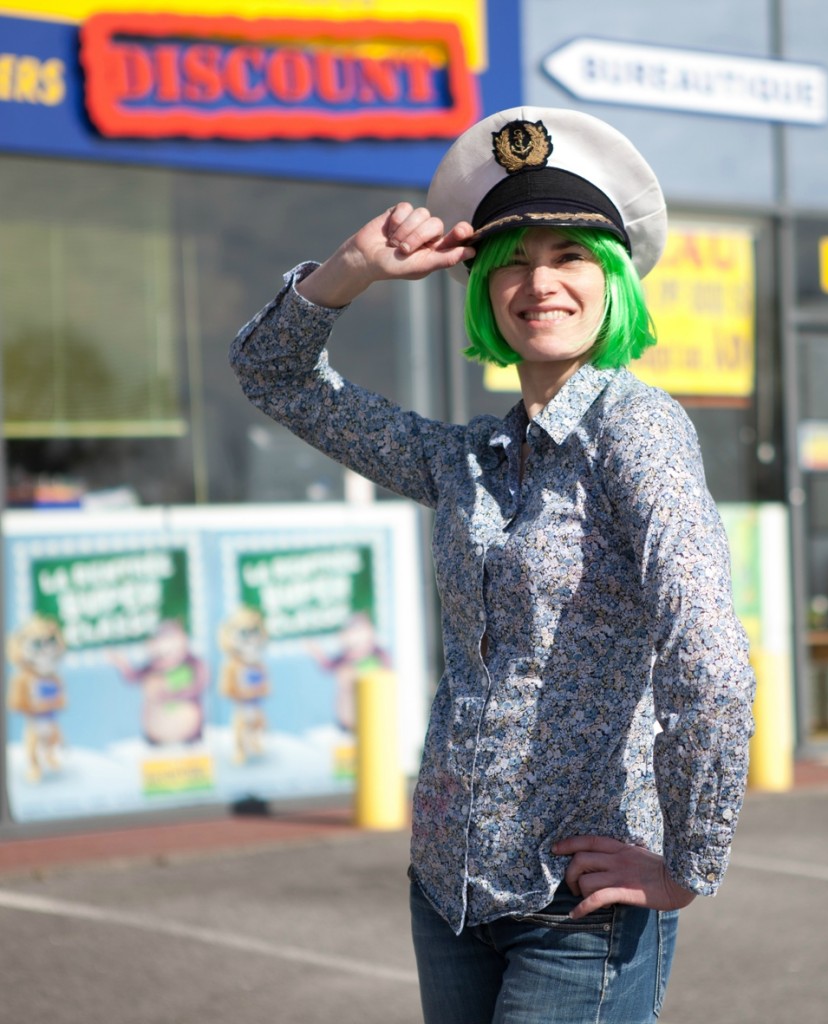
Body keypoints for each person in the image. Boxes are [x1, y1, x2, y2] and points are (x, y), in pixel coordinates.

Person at [230, 106, 756, 1024]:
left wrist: (688, 863)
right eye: (512, 257)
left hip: (575, 907)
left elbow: (707, 657)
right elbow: (272, 377)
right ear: (480, 289)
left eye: (569, 256)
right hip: (449, 887)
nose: (538, 282)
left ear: (616, 283)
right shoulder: (470, 459)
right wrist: (353, 270)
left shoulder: (638, 430)